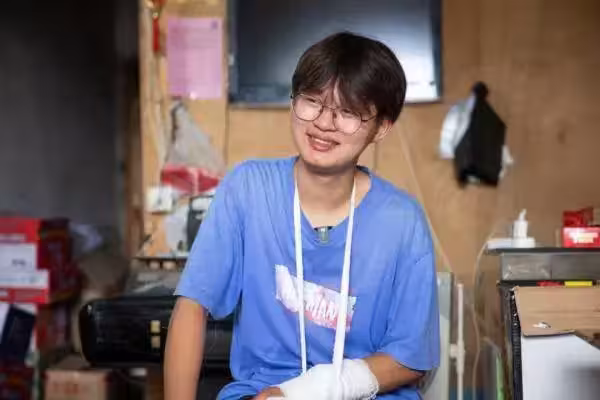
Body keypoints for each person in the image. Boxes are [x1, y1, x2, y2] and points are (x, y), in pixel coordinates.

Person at [164, 31, 440, 400]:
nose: (324, 123)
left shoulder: (402, 221)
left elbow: (412, 357)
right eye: (312, 101)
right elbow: (192, 306)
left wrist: (310, 391)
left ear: (382, 126)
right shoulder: (248, 189)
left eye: (348, 112)